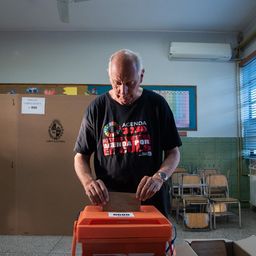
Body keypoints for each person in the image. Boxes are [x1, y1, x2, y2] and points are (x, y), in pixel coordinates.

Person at [74, 49, 182, 217]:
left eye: (130, 83)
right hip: (110, 200)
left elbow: (173, 153)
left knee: (152, 243)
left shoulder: (157, 105)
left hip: (151, 200)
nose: (122, 91)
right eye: (116, 83)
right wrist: (88, 182)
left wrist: (159, 177)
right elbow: (81, 156)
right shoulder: (97, 108)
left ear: (142, 76)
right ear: (109, 75)